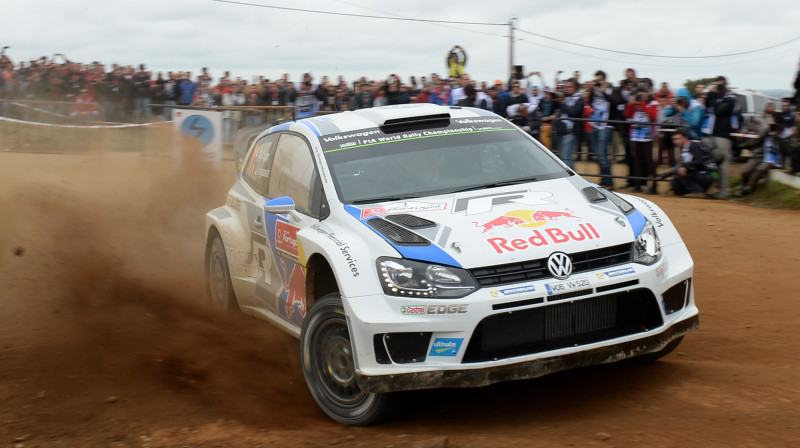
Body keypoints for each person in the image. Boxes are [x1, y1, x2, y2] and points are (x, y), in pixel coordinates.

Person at [703, 76, 739, 199]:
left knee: (722, 163)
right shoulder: (715, 96)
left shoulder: (731, 97)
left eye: (721, 85)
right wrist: (711, 92)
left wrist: (717, 96)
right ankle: (717, 187)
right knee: (713, 163)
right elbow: (707, 106)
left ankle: (725, 191)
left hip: (723, 134)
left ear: (726, 85)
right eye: (717, 84)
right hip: (712, 132)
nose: (719, 87)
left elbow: (718, 110)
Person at [661, 128, 714, 197]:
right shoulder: (685, 147)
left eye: (678, 139)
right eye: (674, 139)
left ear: (685, 138)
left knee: (679, 169)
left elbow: (699, 162)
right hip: (700, 173)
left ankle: (697, 191)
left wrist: (684, 167)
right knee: (675, 182)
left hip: (707, 174)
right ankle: (694, 190)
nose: (675, 142)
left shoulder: (692, 145)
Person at [736, 123, 784, 196]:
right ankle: (744, 185)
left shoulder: (782, 139)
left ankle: (748, 188)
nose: (775, 132)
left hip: (771, 159)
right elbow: (757, 140)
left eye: (777, 131)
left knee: (760, 169)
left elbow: (785, 151)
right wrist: (766, 130)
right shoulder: (766, 135)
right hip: (759, 156)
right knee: (745, 171)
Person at [625, 88, 658, 193]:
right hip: (635, 135)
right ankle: (638, 184)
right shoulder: (635, 104)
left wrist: (642, 103)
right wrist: (631, 104)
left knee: (649, 161)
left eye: (643, 94)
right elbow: (627, 115)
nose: (640, 97)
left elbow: (653, 116)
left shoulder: (653, 103)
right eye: (639, 95)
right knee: (637, 161)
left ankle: (654, 185)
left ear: (648, 94)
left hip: (647, 136)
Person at [588, 70, 615, 188]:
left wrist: (603, 90)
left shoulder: (610, 89)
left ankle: (609, 182)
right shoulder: (593, 90)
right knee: (598, 154)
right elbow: (589, 101)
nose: (598, 82)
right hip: (595, 123)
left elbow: (613, 101)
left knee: (603, 154)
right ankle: (604, 179)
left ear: (604, 79)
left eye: (599, 80)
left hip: (605, 124)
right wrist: (591, 88)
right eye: (596, 79)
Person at [554, 78, 583, 169]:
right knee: (562, 157)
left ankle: (572, 179)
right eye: (566, 87)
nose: (567, 89)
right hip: (561, 130)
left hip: (571, 131)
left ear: (575, 88)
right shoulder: (564, 97)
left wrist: (562, 103)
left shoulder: (579, 99)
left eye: (570, 87)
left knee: (566, 158)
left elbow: (573, 113)